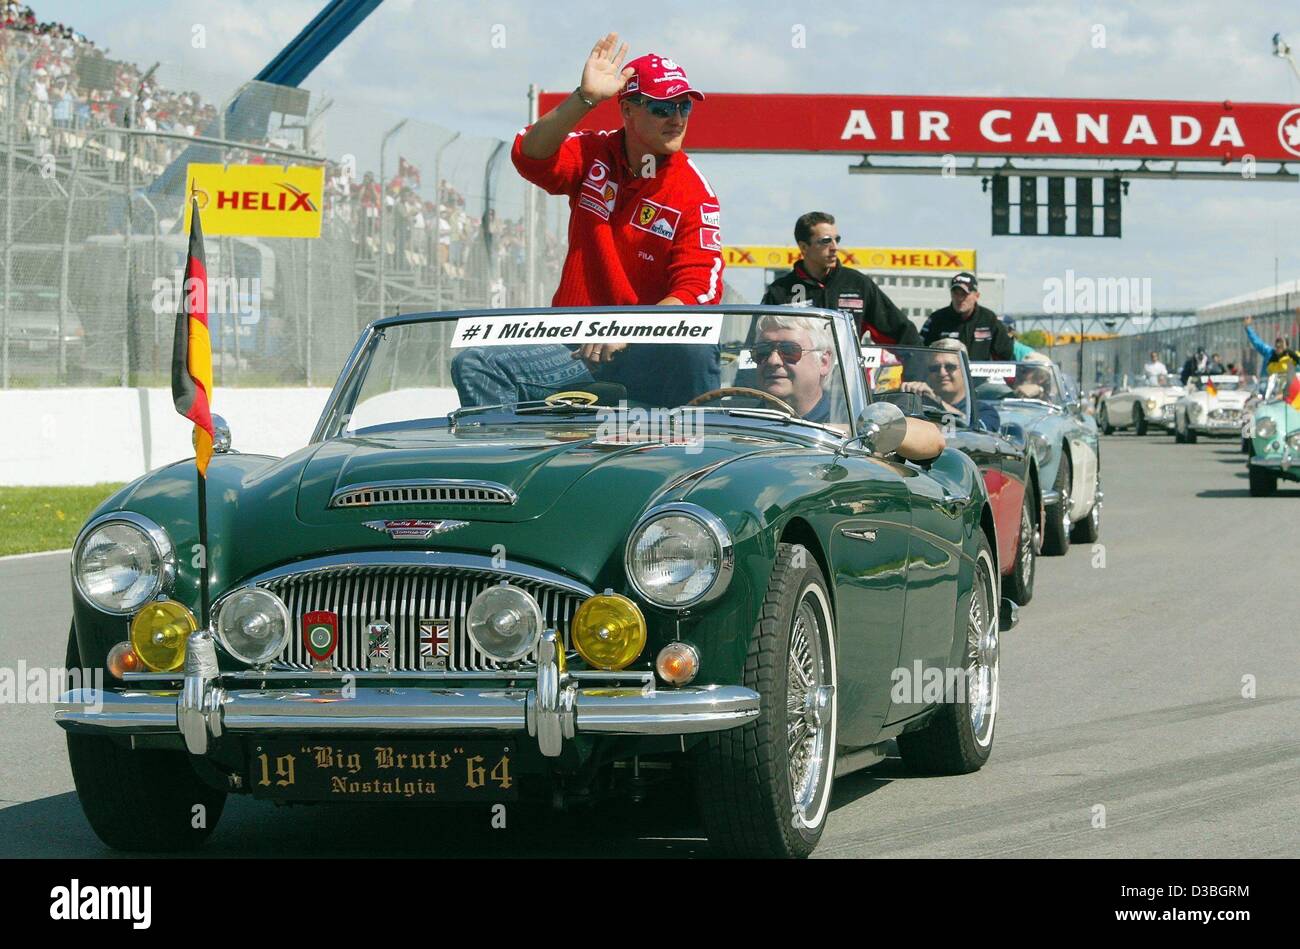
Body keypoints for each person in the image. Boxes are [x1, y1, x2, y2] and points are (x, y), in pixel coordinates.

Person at [453, 34, 723, 409]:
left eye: (684, 107)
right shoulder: (595, 151)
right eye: (662, 108)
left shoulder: (696, 193)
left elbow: (698, 292)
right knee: (476, 364)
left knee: (695, 349)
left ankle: (693, 459)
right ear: (627, 110)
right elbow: (529, 157)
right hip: (573, 343)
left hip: (646, 352)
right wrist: (585, 99)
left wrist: (628, 330)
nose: (677, 119)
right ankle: (512, 461)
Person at [759, 212, 919, 345]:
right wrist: (744, 383)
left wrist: (915, 377)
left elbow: (903, 332)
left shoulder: (858, 285)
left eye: (837, 239)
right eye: (826, 241)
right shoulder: (779, 291)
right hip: (799, 378)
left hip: (846, 380)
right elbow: (757, 343)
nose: (835, 247)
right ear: (804, 247)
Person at [921, 272, 1014, 359]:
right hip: (945, 374)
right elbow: (920, 351)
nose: (959, 298)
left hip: (979, 375)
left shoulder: (989, 319)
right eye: (955, 293)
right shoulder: (936, 319)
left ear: (976, 296)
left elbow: (1006, 353)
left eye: (964, 294)